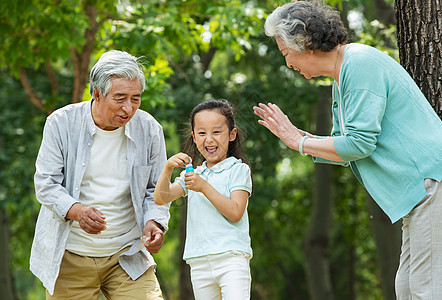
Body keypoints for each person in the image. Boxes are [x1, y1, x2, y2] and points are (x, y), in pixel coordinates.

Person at [253, 1, 442, 299]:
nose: (288, 63)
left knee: (424, 290)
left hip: (430, 184)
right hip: (418, 194)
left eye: (286, 53)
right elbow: (345, 147)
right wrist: (299, 137)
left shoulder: (359, 64)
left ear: (305, 44)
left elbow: (358, 145)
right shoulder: (343, 76)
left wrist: (298, 141)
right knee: (407, 288)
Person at [30, 50, 170, 299]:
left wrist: (154, 222)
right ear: (97, 93)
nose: (128, 108)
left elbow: (156, 189)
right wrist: (77, 211)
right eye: (120, 98)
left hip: (127, 256)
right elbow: (46, 184)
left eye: (136, 98)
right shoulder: (61, 123)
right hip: (70, 258)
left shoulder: (149, 129)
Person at [154, 99, 253, 299]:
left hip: (231, 259)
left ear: (231, 135)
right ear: (193, 137)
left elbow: (235, 212)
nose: (209, 139)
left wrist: (203, 187)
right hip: (199, 261)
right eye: (201, 133)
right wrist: (167, 169)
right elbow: (161, 198)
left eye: (216, 132)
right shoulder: (194, 174)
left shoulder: (238, 169)